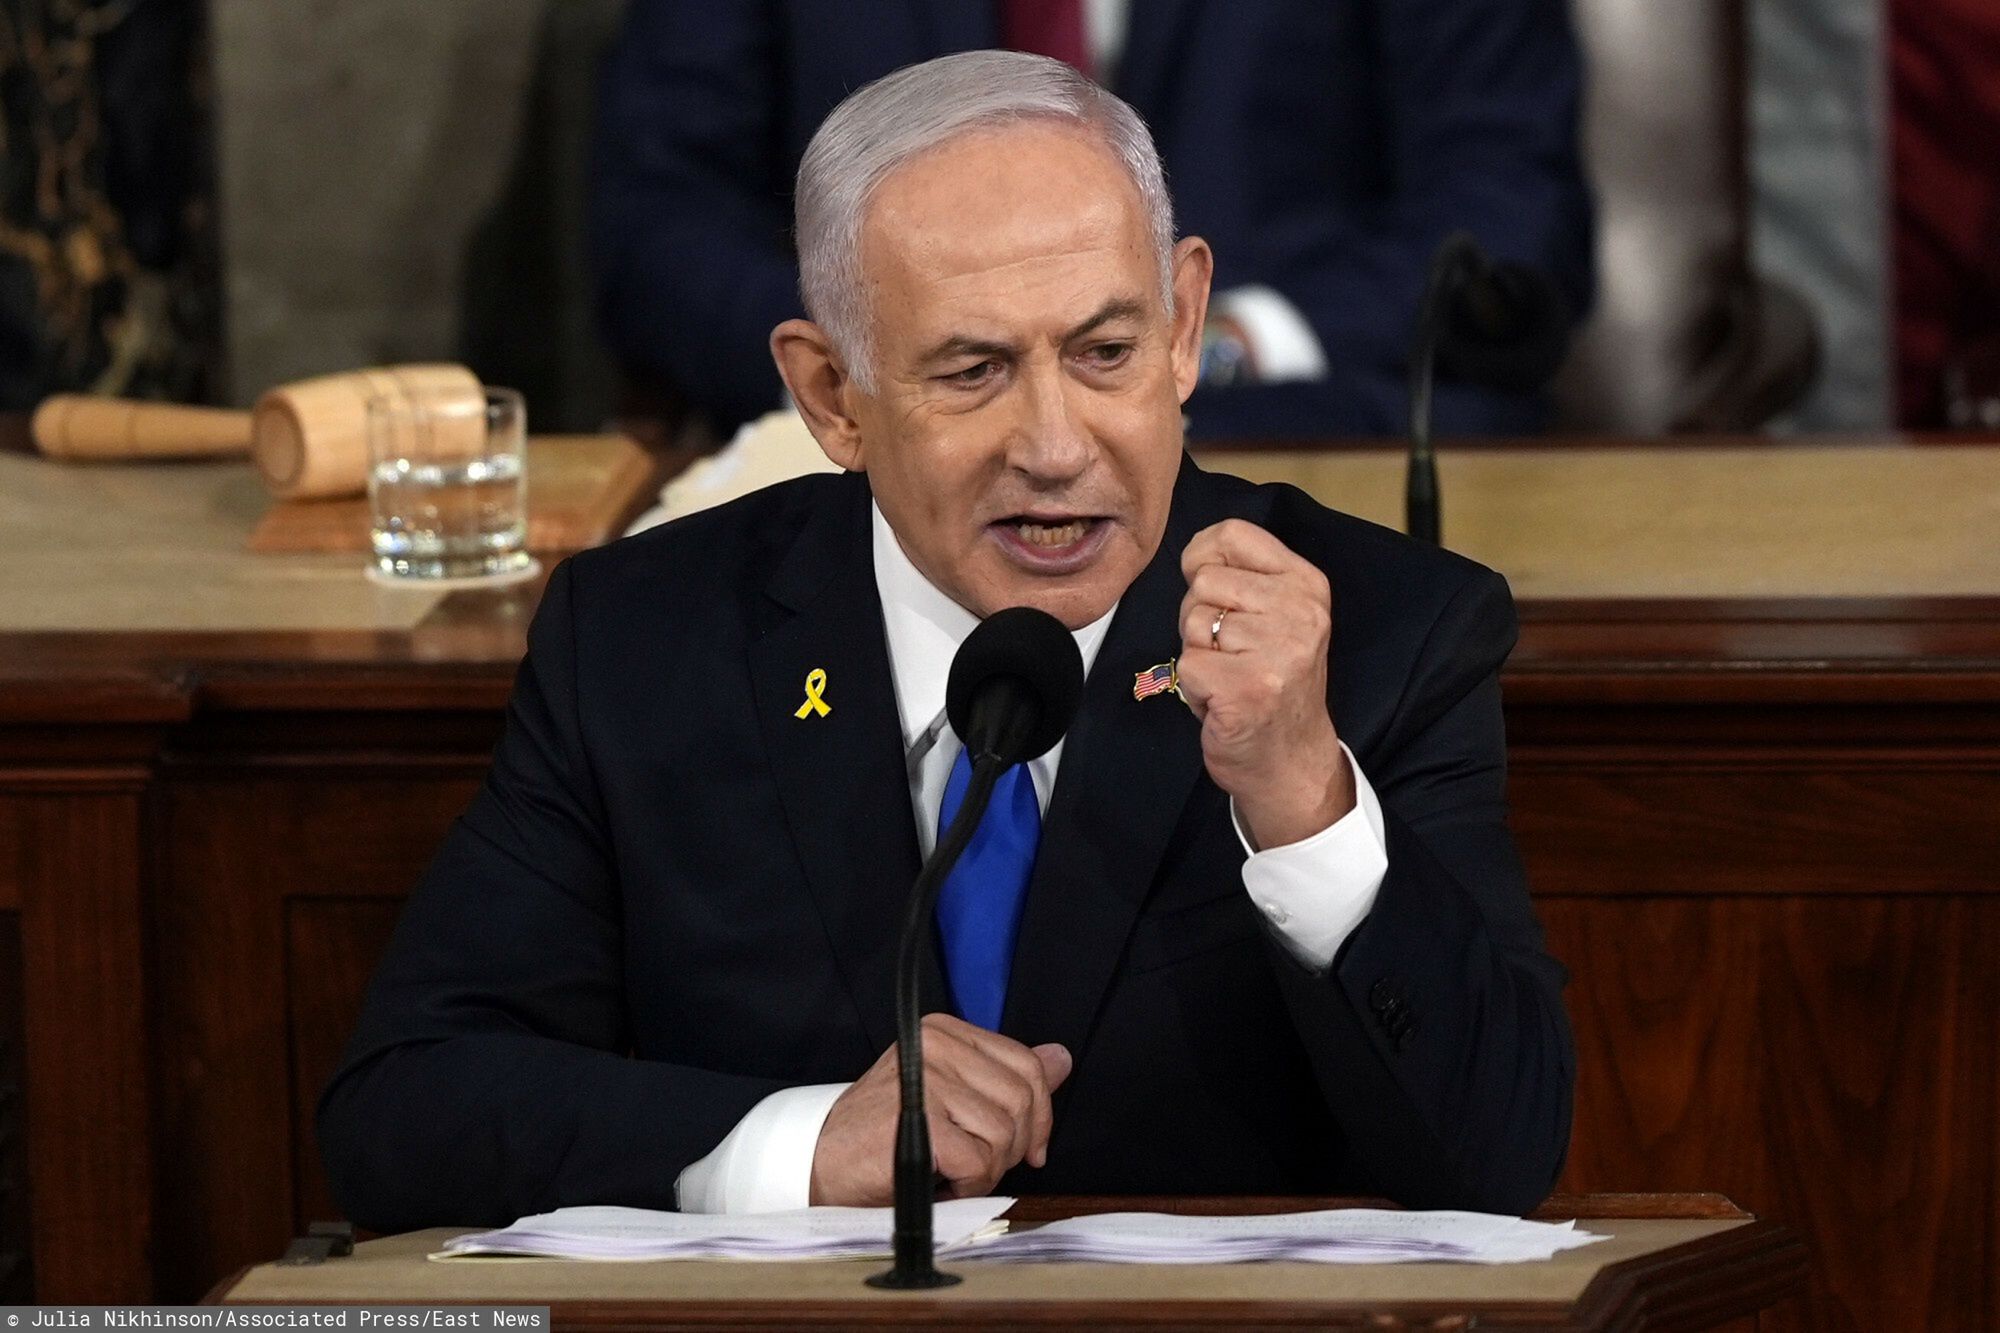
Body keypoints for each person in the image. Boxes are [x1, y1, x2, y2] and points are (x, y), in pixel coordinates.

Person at [321, 52, 1572, 1231]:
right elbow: (405, 1107)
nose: (1054, 445)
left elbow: (1495, 1161)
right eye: (971, 370)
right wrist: (803, 1146)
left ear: (1185, 327)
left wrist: (1303, 795)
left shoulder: (1381, 633)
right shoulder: (646, 642)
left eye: (1104, 353)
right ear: (830, 395)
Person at [589, 0, 1594, 442]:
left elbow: (1511, 210)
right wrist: (898, 373)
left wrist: (1225, 344)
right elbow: (658, 218)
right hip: (895, 475)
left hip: (1296, 438)